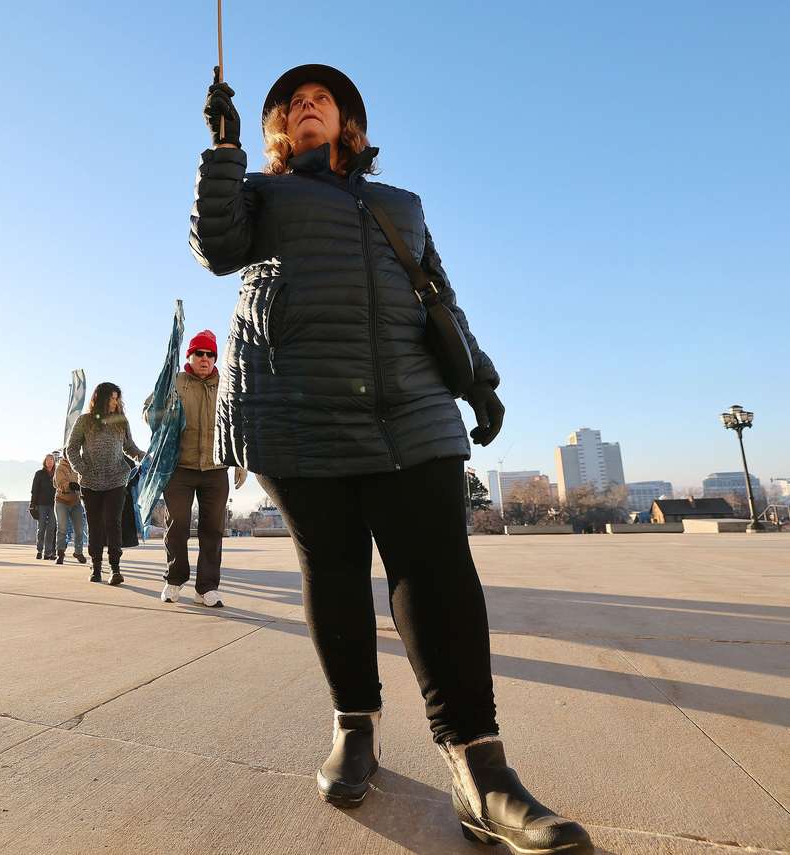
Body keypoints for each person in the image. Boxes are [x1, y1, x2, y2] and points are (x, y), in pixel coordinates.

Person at [191, 64, 591, 854]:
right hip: (298, 406)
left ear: (351, 126)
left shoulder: (400, 205)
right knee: (332, 571)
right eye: (292, 104)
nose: (307, 105)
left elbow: (438, 294)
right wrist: (225, 149)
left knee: (437, 570)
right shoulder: (262, 197)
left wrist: (478, 378)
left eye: (322, 99)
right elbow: (216, 244)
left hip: (411, 405)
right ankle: (356, 726)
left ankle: (482, 771)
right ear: (278, 131)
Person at [157, 329, 241, 609]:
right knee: (177, 526)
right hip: (179, 468)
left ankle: (207, 588)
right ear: (189, 356)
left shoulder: (227, 383)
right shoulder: (176, 382)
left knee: (213, 530)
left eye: (210, 354)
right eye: (199, 353)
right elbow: (151, 411)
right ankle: (174, 579)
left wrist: (241, 460)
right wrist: (160, 411)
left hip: (216, 469)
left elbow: (239, 421)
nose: (205, 359)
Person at [65, 382, 145, 584]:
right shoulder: (85, 421)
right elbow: (71, 448)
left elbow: (129, 447)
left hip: (117, 479)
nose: (115, 402)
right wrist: (81, 468)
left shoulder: (121, 421)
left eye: (117, 398)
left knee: (113, 523)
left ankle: (115, 569)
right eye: (111, 398)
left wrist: (143, 456)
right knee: (95, 525)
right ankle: (97, 567)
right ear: (100, 399)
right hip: (90, 482)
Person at [52, 453, 87, 565]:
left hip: (76, 502)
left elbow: (84, 480)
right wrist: (70, 485)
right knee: (62, 528)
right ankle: (60, 553)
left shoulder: (78, 466)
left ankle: (78, 552)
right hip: (61, 501)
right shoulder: (60, 468)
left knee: (79, 529)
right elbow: (60, 483)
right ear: (66, 455)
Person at [29, 454, 57, 561]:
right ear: (44, 462)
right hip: (41, 504)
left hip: (54, 505)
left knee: (51, 529)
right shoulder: (39, 474)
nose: (49, 462)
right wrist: (33, 504)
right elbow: (34, 490)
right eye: (48, 460)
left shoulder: (56, 474)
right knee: (41, 528)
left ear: (54, 462)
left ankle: (48, 552)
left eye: (51, 460)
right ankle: (39, 550)